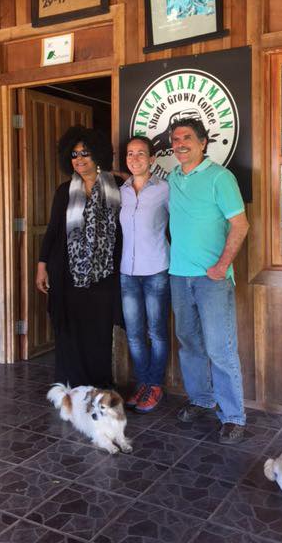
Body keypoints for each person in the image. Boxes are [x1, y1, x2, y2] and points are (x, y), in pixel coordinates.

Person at [167, 117, 249, 443]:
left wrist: (221, 265)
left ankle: (233, 416)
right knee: (189, 344)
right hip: (178, 276)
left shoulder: (220, 178)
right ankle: (202, 399)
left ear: (203, 143)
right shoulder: (172, 177)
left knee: (220, 348)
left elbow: (240, 225)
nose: (180, 143)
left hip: (212, 280)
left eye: (187, 137)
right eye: (175, 138)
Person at [36, 126, 122, 388]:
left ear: (97, 154)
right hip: (67, 273)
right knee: (70, 331)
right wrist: (42, 266)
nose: (80, 159)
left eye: (85, 153)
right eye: (74, 155)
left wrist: (118, 174)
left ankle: (99, 386)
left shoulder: (117, 186)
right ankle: (70, 386)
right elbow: (53, 231)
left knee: (99, 332)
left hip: (105, 274)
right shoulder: (64, 191)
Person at [119, 136, 170, 413]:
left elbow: (182, 221)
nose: (135, 158)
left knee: (157, 332)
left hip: (156, 270)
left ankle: (155, 385)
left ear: (152, 159)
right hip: (127, 271)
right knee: (135, 334)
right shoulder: (122, 190)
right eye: (130, 154)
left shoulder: (165, 189)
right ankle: (142, 383)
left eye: (141, 154)